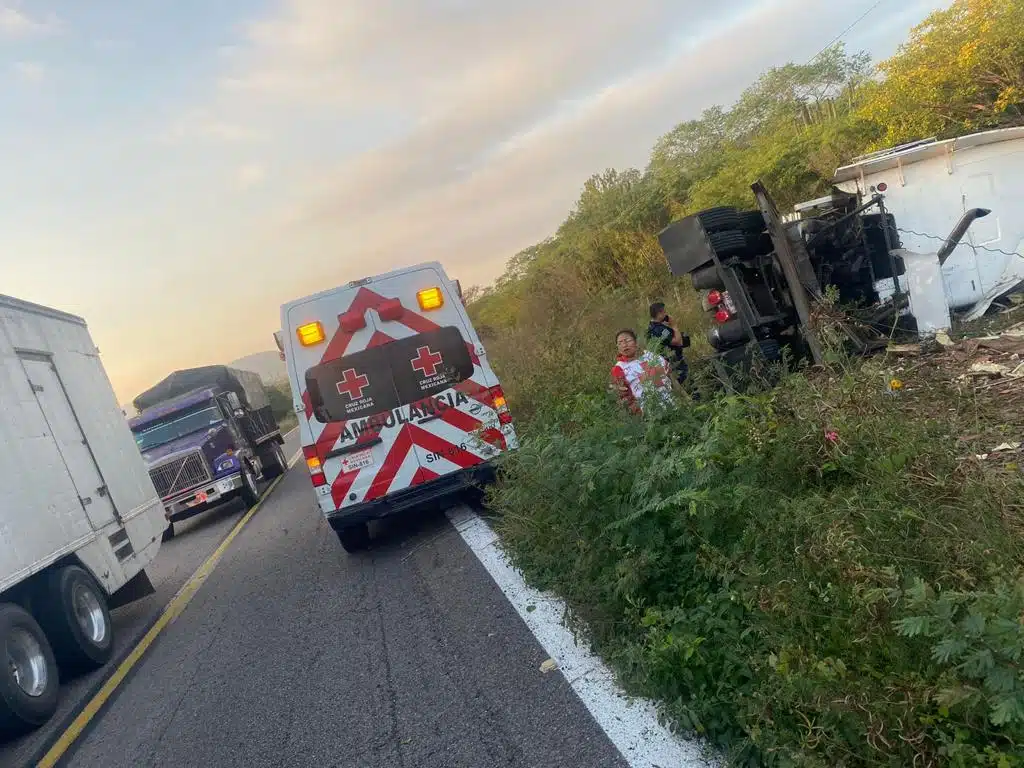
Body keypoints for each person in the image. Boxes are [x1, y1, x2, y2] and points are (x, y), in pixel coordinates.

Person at [610, 329, 674, 414]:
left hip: (672, 406)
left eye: (627, 341)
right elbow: (624, 397)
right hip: (650, 416)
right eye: (620, 343)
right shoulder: (618, 368)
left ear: (636, 342)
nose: (624, 345)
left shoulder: (650, 356)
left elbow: (670, 375)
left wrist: (686, 399)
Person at [646, 302, 691, 386]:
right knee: (686, 382)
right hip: (674, 362)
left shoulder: (652, 327)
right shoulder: (660, 329)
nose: (666, 314)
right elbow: (678, 342)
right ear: (659, 314)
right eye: (664, 312)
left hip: (667, 362)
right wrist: (674, 326)